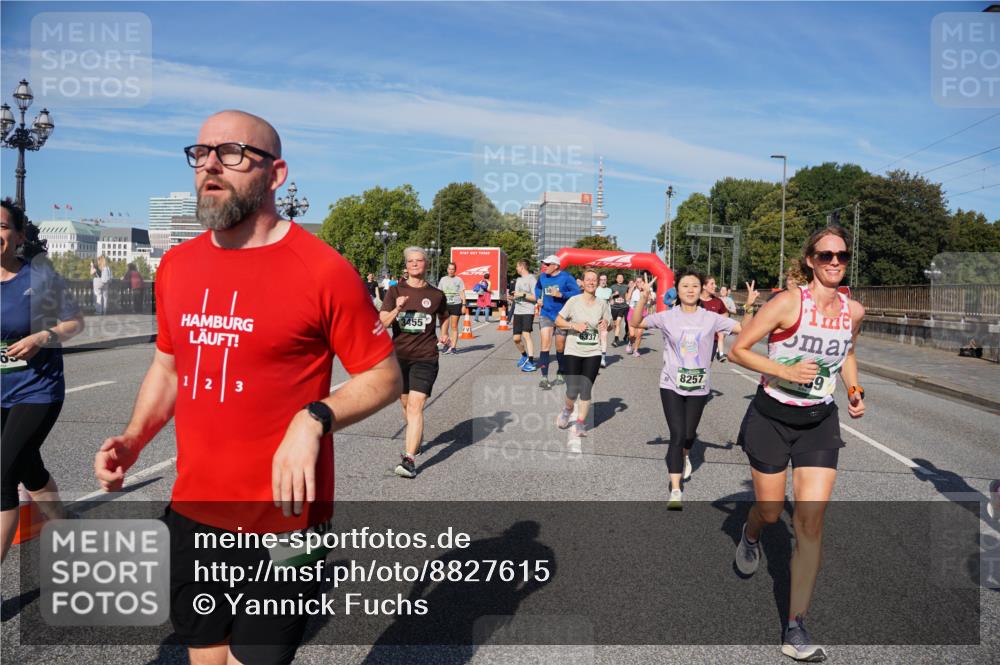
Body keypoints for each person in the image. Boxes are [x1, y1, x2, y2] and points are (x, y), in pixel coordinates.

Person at [94, 111, 401, 665]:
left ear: (275, 174)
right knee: (205, 657)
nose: (210, 164)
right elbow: (168, 367)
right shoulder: (178, 266)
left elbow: (383, 374)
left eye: (232, 153)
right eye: (201, 152)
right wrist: (134, 437)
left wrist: (314, 418)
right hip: (194, 511)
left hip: (285, 524)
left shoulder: (322, 270)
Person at [728, 226, 865, 662]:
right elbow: (739, 349)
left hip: (818, 422)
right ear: (810, 260)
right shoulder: (788, 303)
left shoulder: (853, 310)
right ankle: (750, 535)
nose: (834, 262)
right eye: (825, 255)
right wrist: (784, 371)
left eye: (841, 255)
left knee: (809, 524)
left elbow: (846, 353)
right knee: (770, 511)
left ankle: (795, 627)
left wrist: (854, 387)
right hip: (771, 417)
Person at [630, 269, 758, 509]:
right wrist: (644, 299)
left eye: (695, 286)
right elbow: (636, 322)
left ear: (701, 291)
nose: (690, 290)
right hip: (670, 384)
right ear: (677, 290)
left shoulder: (711, 318)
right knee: (677, 435)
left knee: (689, 435)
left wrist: (749, 307)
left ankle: (685, 455)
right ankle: (676, 489)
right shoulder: (667, 316)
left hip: (699, 386)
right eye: (685, 286)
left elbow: (745, 330)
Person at [1, 198, 85, 562]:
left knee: (3, 473)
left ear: (19, 236)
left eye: (3, 226)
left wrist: (40, 338)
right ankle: (64, 523)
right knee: (26, 465)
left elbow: (74, 323)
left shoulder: (40, 277)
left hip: (37, 389)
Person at [380, 247, 450, 479]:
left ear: (426, 264)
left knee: (415, 406)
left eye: (419, 261)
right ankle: (416, 435)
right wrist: (398, 307)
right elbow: (384, 323)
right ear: (406, 265)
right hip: (399, 357)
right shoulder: (395, 290)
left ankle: (409, 459)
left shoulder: (437, 294)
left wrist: (446, 333)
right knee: (405, 403)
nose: (415, 264)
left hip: (425, 357)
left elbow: (445, 316)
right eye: (410, 261)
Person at [554, 270, 612, 438]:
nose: (592, 282)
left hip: (593, 351)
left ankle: (580, 423)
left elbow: (610, 325)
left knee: (586, 389)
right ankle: (567, 409)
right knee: (572, 390)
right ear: (582, 282)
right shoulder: (573, 301)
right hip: (573, 350)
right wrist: (574, 326)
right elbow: (558, 320)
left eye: (594, 280)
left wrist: (606, 324)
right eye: (588, 279)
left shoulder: (602, 304)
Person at [531, 255, 581, 390]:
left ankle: (561, 371)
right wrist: (538, 299)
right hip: (546, 314)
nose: (544, 266)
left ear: (556, 266)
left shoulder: (566, 277)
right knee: (545, 345)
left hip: (561, 316)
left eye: (547, 264)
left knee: (560, 347)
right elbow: (537, 288)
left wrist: (561, 295)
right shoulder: (542, 277)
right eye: (544, 264)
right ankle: (544, 378)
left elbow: (577, 292)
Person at [510, 260, 538, 372]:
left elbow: (535, 298)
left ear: (522, 266)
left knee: (526, 335)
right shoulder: (519, 280)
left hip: (528, 311)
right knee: (516, 339)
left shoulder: (532, 279)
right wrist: (513, 298)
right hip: (518, 311)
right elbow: (518, 296)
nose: (516, 268)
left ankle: (531, 362)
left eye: (517, 266)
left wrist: (522, 294)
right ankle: (524, 355)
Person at [437, 262, 466, 354]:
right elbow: (440, 293)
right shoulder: (443, 279)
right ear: (447, 269)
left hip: (456, 304)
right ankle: (446, 343)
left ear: (455, 270)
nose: (451, 271)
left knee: (454, 326)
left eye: (452, 269)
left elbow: (462, 293)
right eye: (449, 269)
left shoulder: (459, 280)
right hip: (445, 305)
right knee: (444, 327)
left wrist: (464, 305)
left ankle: (453, 347)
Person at [700, 276, 729, 362]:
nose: (715, 286)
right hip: (694, 340)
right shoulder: (694, 300)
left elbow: (725, 313)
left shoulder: (718, 301)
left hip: (712, 341)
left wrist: (720, 323)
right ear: (704, 286)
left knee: (706, 368)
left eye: (715, 284)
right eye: (712, 284)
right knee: (691, 367)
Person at [626, 275, 651, 357]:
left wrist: (646, 291)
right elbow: (627, 299)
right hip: (632, 312)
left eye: (640, 281)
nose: (639, 283)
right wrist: (631, 289)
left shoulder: (647, 290)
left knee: (639, 334)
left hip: (642, 313)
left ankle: (636, 350)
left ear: (643, 282)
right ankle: (630, 343)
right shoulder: (633, 290)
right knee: (632, 334)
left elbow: (650, 299)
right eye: (637, 282)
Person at [595, 274, 613, 367]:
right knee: (596, 338)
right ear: (598, 280)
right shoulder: (594, 290)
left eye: (604, 279)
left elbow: (610, 301)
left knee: (604, 336)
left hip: (605, 316)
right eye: (601, 279)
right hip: (595, 316)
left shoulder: (609, 290)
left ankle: (603, 359)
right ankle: (595, 357)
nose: (603, 281)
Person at [609, 273, 630, 346]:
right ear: (616, 279)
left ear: (623, 279)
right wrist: (613, 295)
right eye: (619, 278)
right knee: (615, 325)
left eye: (621, 277)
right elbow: (609, 297)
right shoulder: (612, 287)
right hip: (614, 308)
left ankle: (616, 339)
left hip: (622, 307)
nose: (620, 279)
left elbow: (627, 297)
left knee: (618, 323)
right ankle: (616, 336)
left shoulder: (626, 287)